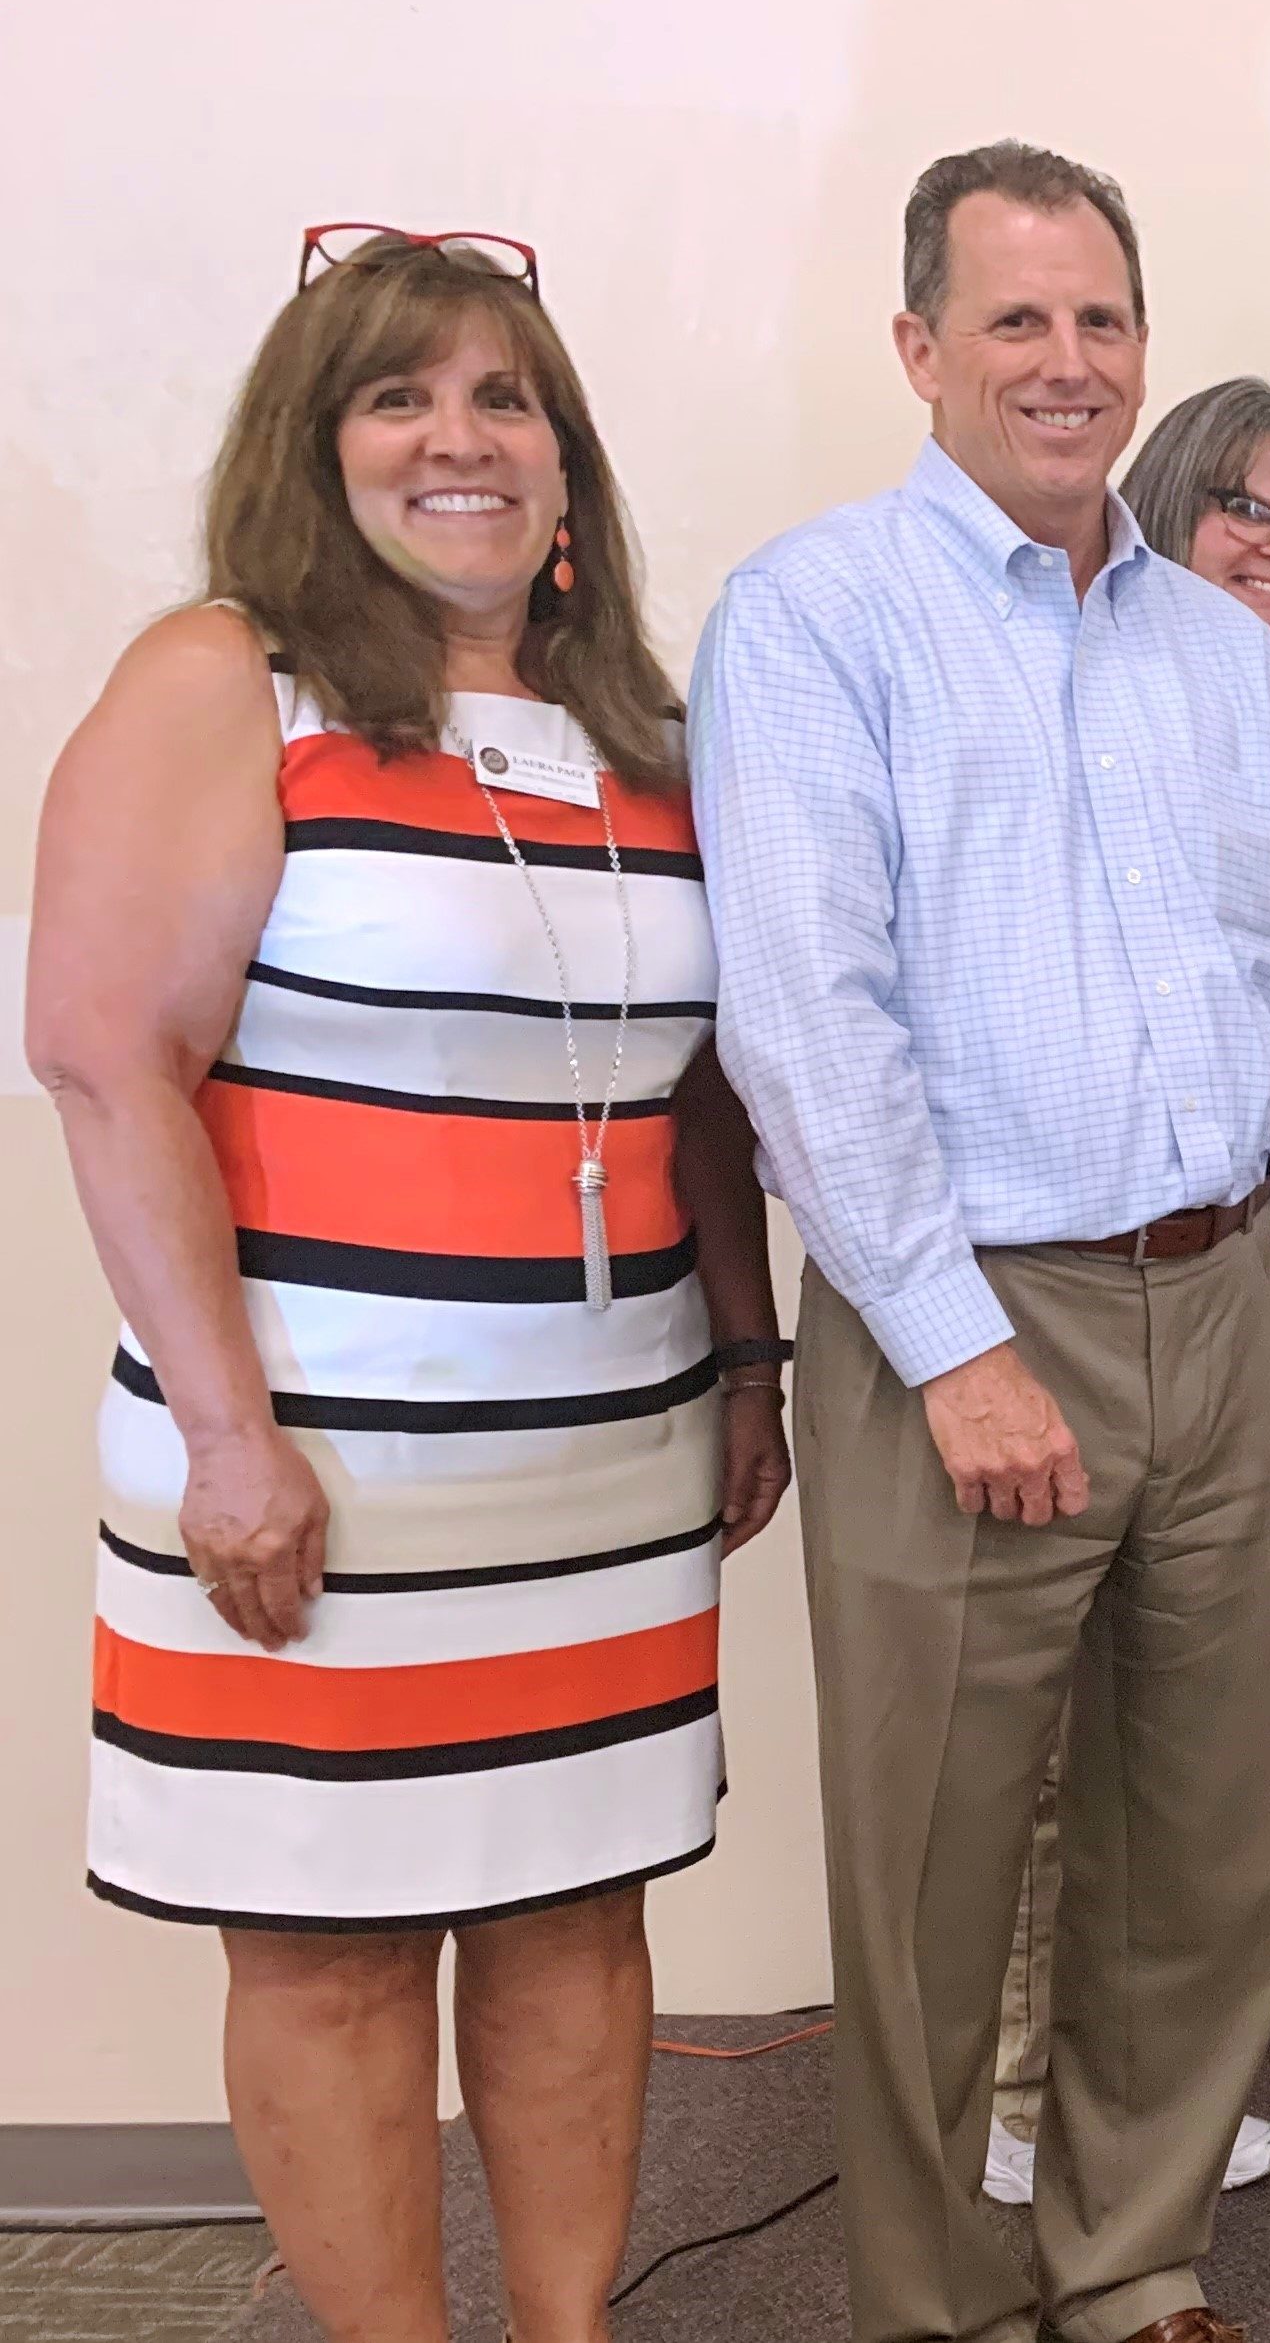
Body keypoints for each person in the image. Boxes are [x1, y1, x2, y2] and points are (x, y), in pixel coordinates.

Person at [31, 228, 790, 2343]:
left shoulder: (635, 732)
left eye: (503, 398)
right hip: (313, 1468)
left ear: (565, 462)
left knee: (575, 1919)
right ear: (316, 443)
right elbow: (105, 1058)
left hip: (603, 1470)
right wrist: (229, 1439)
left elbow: (700, 1098)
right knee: (329, 1943)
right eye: (400, 396)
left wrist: (749, 1361)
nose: (461, 438)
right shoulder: (225, 678)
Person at [691, 143, 1270, 2343]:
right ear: (920, 345)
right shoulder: (815, 618)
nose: (1067, 362)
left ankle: (1128, 2258)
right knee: (933, 1862)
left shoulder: (1225, 660)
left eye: (1101, 319)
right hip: (968, 1315)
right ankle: (936, 2301)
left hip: (1231, 1296)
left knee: (1202, 1847)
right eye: (1016, 318)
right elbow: (805, 1021)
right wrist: (946, 1339)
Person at [978, 373, 1270, 2212]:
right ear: (1162, 501)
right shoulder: (1040, 695)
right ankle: (1019, 2103)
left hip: (1234, 1274)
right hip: (1032, 1284)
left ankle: (1135, 2117)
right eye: (1249, 510)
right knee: (1039, 1742)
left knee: (1179, 1752)